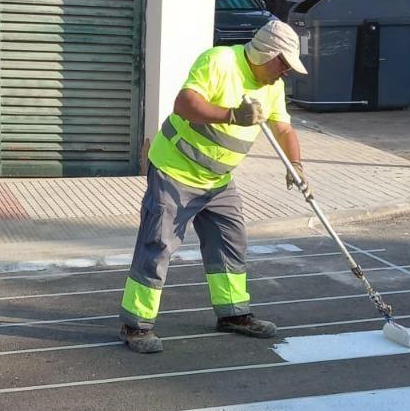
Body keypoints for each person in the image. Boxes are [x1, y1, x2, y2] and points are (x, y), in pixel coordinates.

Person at [120, 18, 309, 354]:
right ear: (267, 53)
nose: (285, 73)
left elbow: (284, 129)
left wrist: (295, 165)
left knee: (230, 241)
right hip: (175, 171)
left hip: (218, 181)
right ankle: (136, 325)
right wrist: (232, 115)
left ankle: (234, 314)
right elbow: (184, 104)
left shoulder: (273, 86)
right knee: (157, 244)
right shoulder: (220, 61)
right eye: (284, 65)